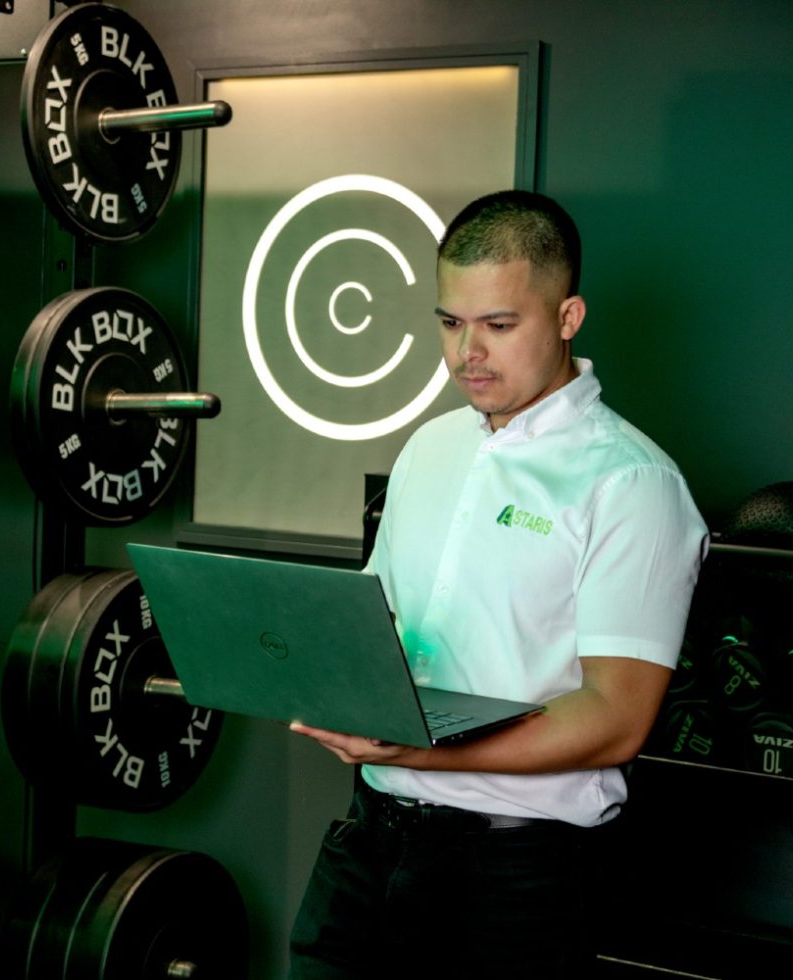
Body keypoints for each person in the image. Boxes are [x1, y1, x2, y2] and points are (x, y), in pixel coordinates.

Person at [287, 189, 708, 978]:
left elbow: (615, 720)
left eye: (499, 325)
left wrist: (420, 751)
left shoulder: (633, 483)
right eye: (450, 322)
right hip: (368, 843)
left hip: (514, 876)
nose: (466, 353)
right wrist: (320, 675)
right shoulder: (428, 447)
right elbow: (379, 630)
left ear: (568, 317)